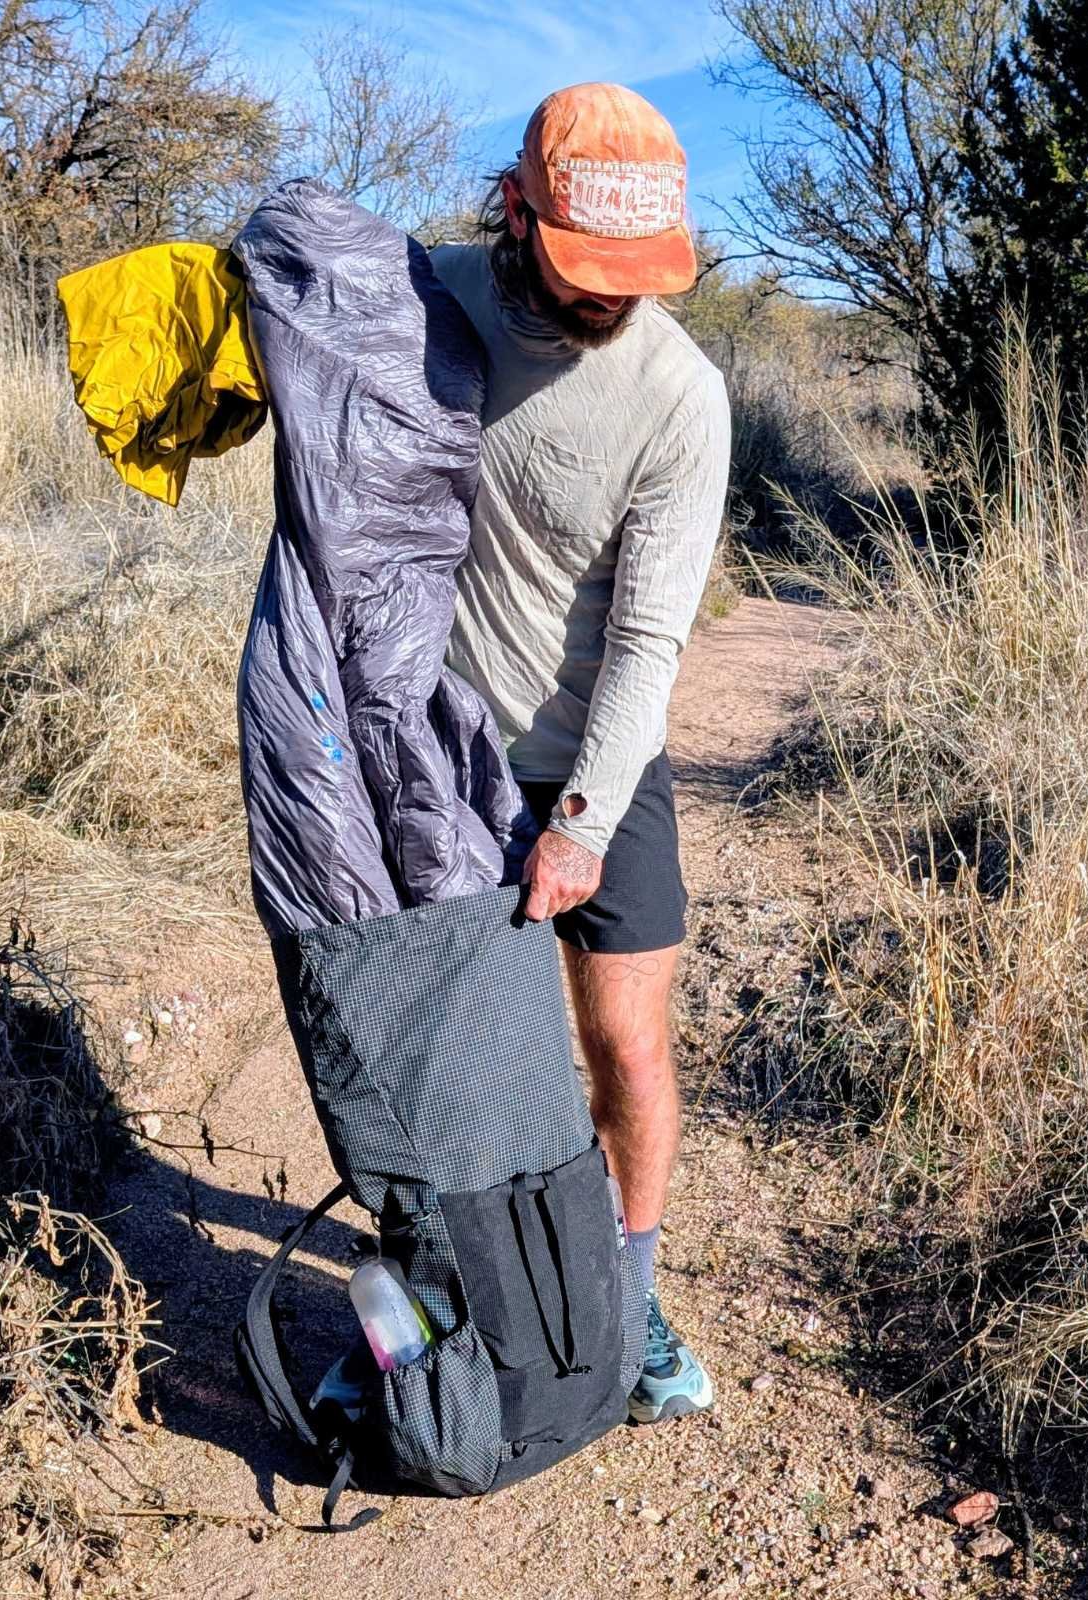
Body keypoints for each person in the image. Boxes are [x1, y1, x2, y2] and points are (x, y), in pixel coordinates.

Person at [426, 82, 731, 1426]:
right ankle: (435, 1307)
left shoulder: (681, 395)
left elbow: (653, 638)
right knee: (451, 1062)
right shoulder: (436, 296)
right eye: (582, 273)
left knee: (626, 1049)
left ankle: (625, 1296)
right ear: (515, 212)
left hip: (606, 758)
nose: (610, 302)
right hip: (444, 750)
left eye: (635, 279)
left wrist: (585, 820)